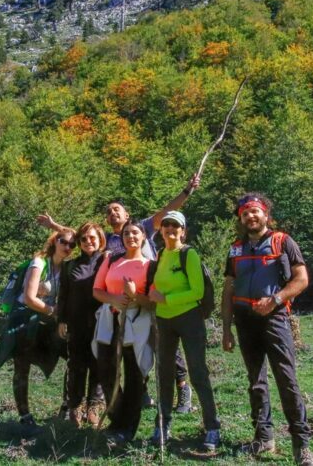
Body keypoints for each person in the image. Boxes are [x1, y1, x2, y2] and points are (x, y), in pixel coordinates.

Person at [37, 173, 201, 413]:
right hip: (119, 305)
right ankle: (139, 394)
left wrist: (187, 191)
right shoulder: (109, 241)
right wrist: (55, 227)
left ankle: (183, 390)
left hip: (149, 296)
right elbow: (85, 235)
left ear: (127, 215)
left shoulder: (141, 227)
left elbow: (167, 211)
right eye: (109, 211)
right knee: (131, 350)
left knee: (163, 346)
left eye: (117, 210)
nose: (113, 213)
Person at [221, 193, 313, 466]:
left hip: (275, 319)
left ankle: (302, 446)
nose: (250, 216)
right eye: (245, 213)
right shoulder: (235, 248)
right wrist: (226, 329)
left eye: (255, 211)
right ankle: (264, 438)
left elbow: (302, 279)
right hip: (244, 321)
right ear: (241, 219)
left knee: (287, 380)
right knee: (255, 380)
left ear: (265, 214)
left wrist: (276, 299)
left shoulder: (283, 242)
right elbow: (228, 289)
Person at [147, 210, 221, 450]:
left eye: (175, 226)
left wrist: (165, 298)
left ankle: (212, 427)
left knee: (198, 373)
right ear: (161, 230)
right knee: (164, 376)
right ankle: (162, 426)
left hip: (189, 319)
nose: (170, 229)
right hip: (164, 322)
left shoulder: (188, 254)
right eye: (166, 225)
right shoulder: (159, 255)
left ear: (183, 231)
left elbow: (197, 292)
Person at [92, 219, 154, 445]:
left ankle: (127, 428)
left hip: (137, 322)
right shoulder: (111, 260)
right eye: (127, 233)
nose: (131, 237)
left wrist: (134, 295)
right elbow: (97, 290)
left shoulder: (150, 265)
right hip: (110, 320)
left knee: (135, 375)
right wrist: (115, 298)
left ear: (144, 237)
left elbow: (153, 303)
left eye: (135, 233)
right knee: (106, 370)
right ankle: (116, 419)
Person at [13, 229, 76, 429]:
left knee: (73, 357)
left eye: (72, 245)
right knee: (22, 367)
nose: (68, 247)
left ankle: (67, 406)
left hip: (49, 322)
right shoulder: (39, 263)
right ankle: (25, 416)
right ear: (55, 241)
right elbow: (30, 298)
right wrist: (54, 311)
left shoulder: (66, 267)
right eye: (64, 242)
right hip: (26, 320)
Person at [56, 222, 107, 427]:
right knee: (76, 365)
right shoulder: (70, 265)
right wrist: (61, 320)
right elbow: (64, 295)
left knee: (98, 364)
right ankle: (75, 406)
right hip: (76, 324)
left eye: (92, 237)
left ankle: (94, 406)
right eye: (84, 239)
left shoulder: (108, 261)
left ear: (100, 239)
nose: (88, 242)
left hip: (102, 323)